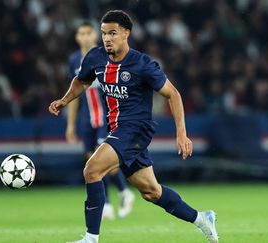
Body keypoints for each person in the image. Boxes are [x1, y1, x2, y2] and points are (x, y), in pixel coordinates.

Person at [49, 10, 218, 243]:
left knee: (92, 169)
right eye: (104, 33)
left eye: (113, 33)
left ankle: (90, 239)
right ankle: (202, 218)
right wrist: (64, 100)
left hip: (136, 129)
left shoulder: (142, 64)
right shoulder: (95, 58)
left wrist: (182, 133)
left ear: (126, 33)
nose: (107, 38)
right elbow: (81, 81)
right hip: (116, 129)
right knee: (151, 192)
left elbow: (173, 94)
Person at [66, 22, 135, 220]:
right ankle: (107, 203)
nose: (85, 36)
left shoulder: (106, 56)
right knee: (91, 161)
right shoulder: (73, 60)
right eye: (81, 33)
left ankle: (123, 191)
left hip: (106, 116)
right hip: (87, 118)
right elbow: (73, 93)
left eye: (89, 33)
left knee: (101, 161)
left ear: (95, 35)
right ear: (77, 37)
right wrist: (70, 125)